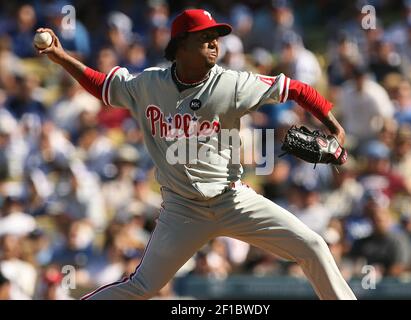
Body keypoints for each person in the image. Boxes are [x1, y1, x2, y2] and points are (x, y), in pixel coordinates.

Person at [36, 9, 356, 300]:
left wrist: (334, 126)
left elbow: (296, 89)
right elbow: (102, 85)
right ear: (180, 46)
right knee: (142, 286)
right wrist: (60, 55)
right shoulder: (149, 84)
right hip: (181, 210)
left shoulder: (231, 84)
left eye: (216, 38)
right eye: (205, 38)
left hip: (233, 201)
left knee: (313, 246)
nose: (214, 44)